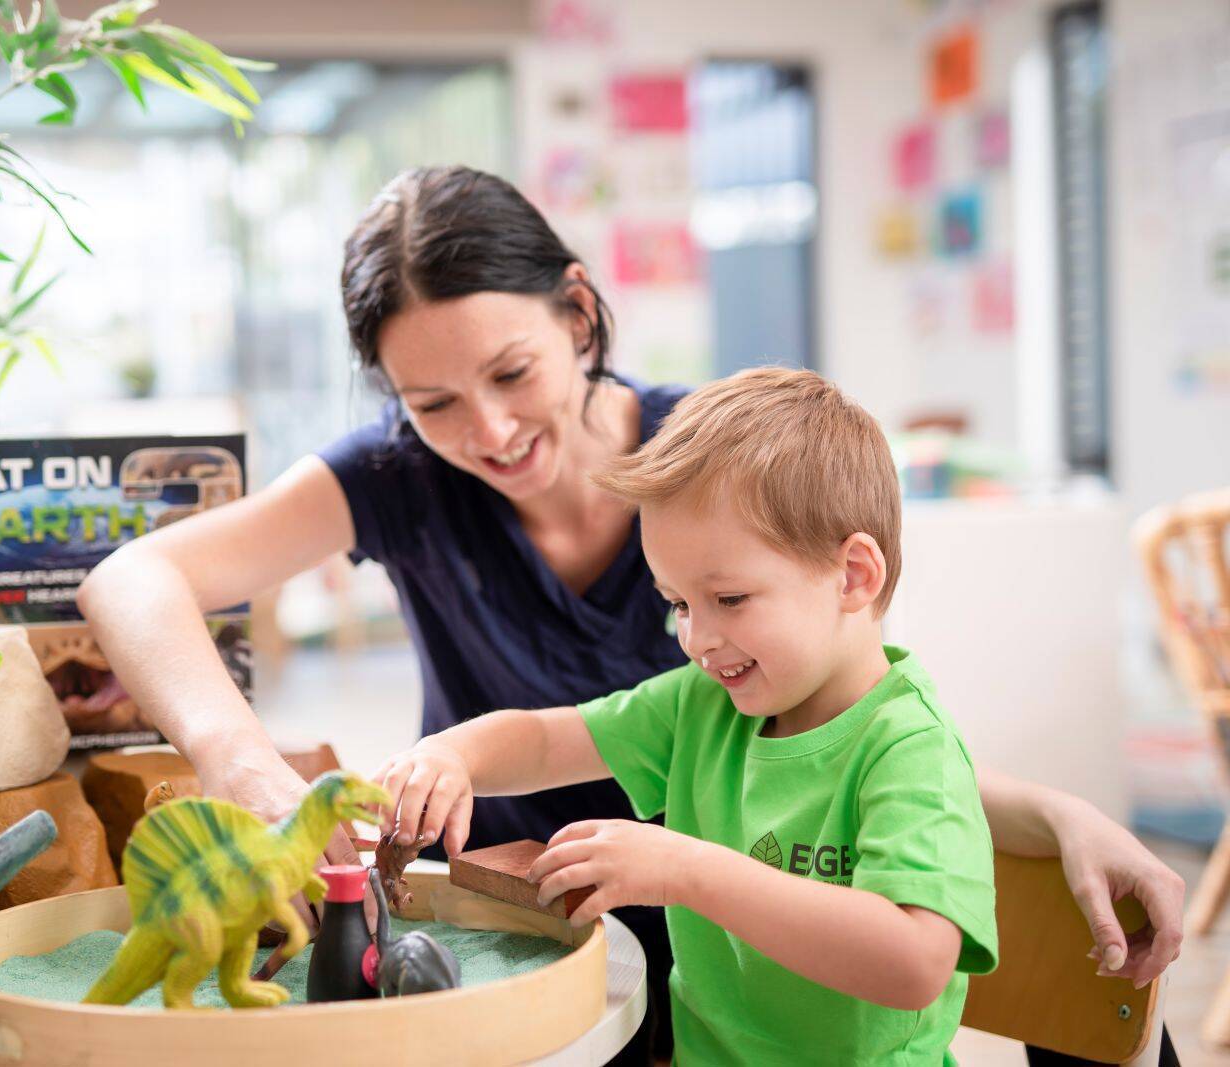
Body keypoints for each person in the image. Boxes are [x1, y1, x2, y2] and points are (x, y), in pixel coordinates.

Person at [75, 165, 1183, 1060]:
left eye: (513, 371)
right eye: (434, 404)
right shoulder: (402, 478)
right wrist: (237, 754)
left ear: (578, 309)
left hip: (744, 959)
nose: (492, 431)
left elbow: (836, 749)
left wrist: (1042, 813)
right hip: (556, 941)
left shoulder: (710, 474)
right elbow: (132, 580)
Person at [376, 367, 997, 1063]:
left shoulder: (909, 746)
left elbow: (913, 963)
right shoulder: (702, 706)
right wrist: (450, 755)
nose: (695, 638)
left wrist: (688, 869)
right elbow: (547, 741)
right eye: (677, 603)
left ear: (853, 575)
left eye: (729, 599)